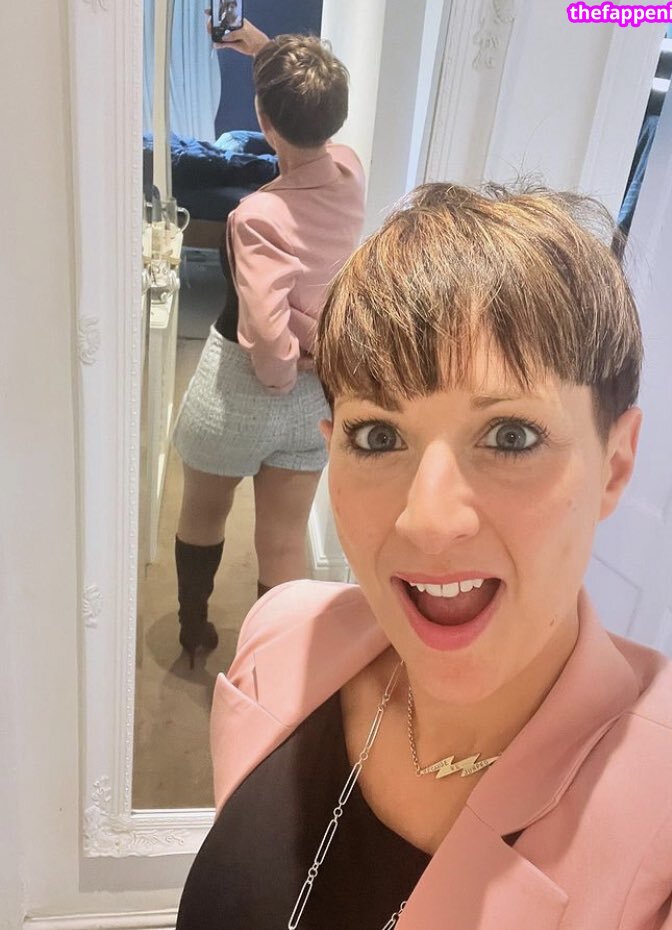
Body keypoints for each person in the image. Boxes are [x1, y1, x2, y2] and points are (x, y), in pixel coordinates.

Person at [175, 183, 672, 928]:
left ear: (614, 464)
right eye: (377, 436)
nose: (429, 522)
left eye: (511, 436)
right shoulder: (281, 635)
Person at [171, 21, 366, 667]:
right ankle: (271, 663)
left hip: (239, 392)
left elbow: (263, 329)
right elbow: (308, 114)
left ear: (263, 121)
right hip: (314, 401)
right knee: (283, 541)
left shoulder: (257, 216)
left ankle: (194, 632)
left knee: (203, 513)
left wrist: (281, 373)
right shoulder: (350, 171)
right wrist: (262, 48)